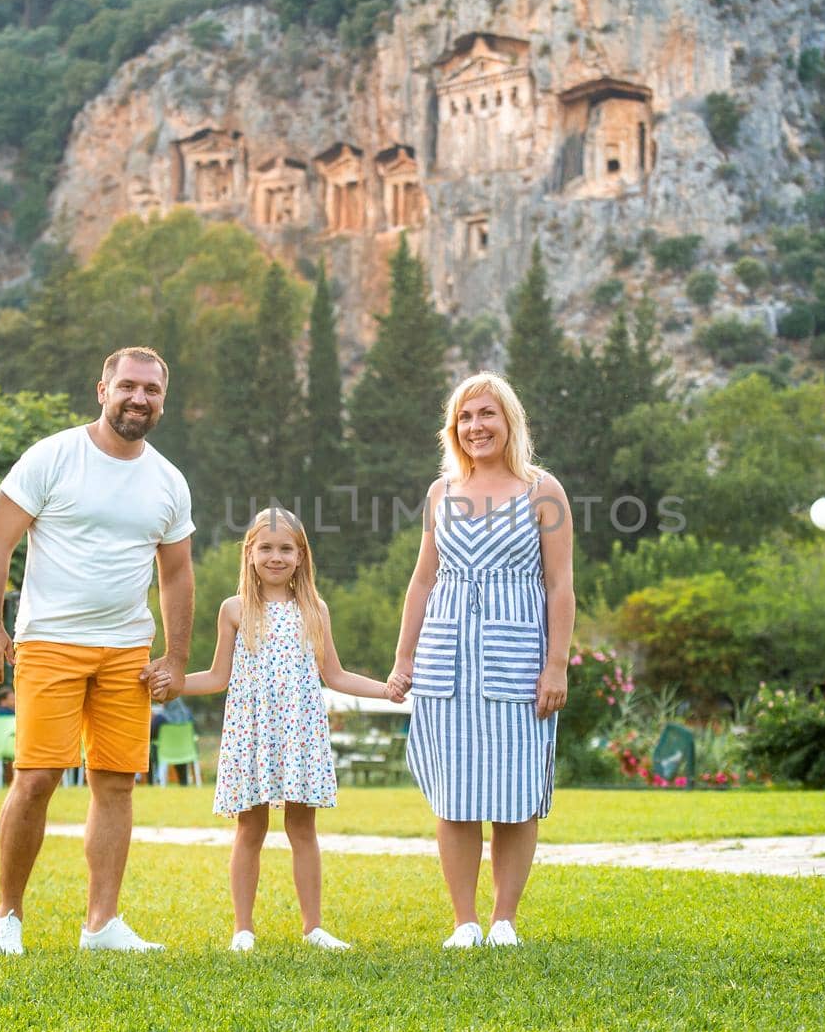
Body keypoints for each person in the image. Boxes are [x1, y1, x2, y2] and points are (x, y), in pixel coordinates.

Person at [0, 346, 195, 957]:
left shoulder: (168, 481)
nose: (138, 398)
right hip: (49, 643)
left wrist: (175, 658)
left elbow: (176, 574)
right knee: (38, 776)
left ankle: (101, 926)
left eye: (151, 390)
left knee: (116, 784)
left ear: (162, 401)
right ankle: (7, 918)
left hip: (128, 651)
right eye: (127, 386)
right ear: (102, 390)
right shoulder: (53, 457)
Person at [155, 508, 404, 951]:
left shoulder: (314, 609)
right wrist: (171, 685)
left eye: (286, 548)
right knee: (249, 830)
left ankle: (314, 928)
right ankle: (243, 930)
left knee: (302, 829)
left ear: (301, 555)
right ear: (249, 553)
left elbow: (337, 675)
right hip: (252, 731)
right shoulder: (234, 610)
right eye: (266, 548)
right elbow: (216, 677)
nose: (276, 556)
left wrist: (386, 690)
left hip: (299, 732)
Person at [388, 373, 573, 949]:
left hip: (517, 663)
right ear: (454, 428)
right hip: (447, 662)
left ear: (509, 421)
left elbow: (560, 585)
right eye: (465, 418)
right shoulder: (441, 492)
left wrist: (557, 664)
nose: (476, 427)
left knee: (517, 796)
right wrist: (405, 661)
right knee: (455, 794)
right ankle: (464, 922)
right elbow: (422, 582)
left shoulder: (545, 490)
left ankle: (503, 923)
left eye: (487, 415)